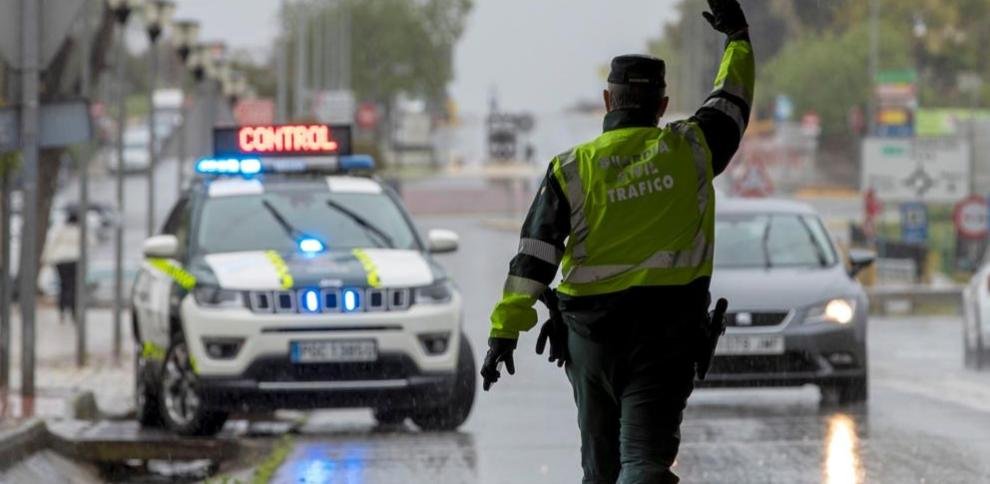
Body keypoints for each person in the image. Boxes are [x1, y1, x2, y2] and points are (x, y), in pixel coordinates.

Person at [479, 0, 754, 482]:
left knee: (601, 470)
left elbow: (533, 259)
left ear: (609, 101)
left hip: (591, 343)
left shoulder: (571, 169)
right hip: (663, 338)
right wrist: (738, 38)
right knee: (643, 461)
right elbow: (731, 100)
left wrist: (504, 333)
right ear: (662, 107)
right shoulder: (691, 149)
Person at [44, 211, 83, 323]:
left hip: (60, 260)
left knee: (63, 285)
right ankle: (73, 310)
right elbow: (91, 241)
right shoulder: (79, 230)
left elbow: (52, 243)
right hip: (74, 260)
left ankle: (62, 310)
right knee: (73, 286)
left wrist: (47, 258)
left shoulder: (60, 229)